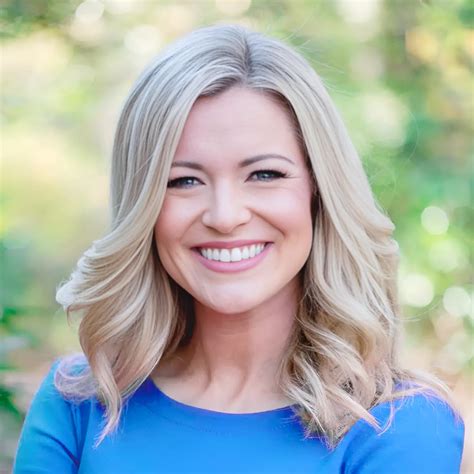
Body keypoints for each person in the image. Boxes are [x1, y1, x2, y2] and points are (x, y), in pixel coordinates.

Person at [14, 24, 464, 473]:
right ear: (143, 205)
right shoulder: (77, 404)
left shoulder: (399, 428)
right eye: (183, 180)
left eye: (264, 174)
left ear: (319, 189)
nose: (225, 216)